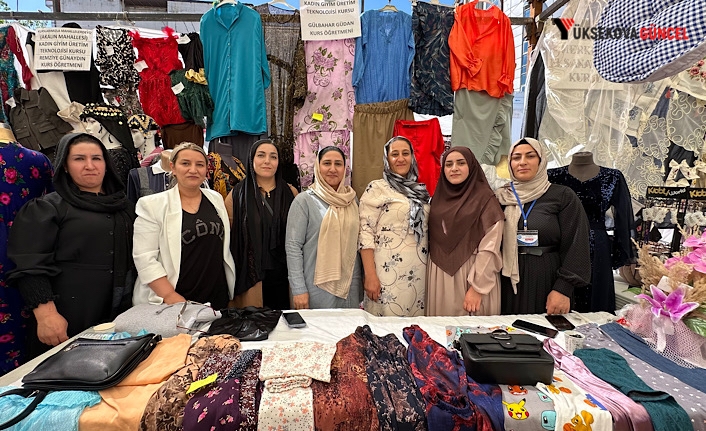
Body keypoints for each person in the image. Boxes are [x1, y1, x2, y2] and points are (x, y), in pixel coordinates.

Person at [7, 133, 136, 357]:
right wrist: (47, 316)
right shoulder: (47, 208)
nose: (89, 166)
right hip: (67, 320)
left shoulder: (125, 207)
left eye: (96, 158)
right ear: (65, 166)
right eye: (79, 159)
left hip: (119, 317)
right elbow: (30, 266)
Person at [132, 142, 235, 309]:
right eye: (185, 163)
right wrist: (170, 296)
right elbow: (144, 259)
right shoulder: (152, 205)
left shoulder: (215, 198)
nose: (193, 170)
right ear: (173, 167)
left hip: (216, 296)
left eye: (199, 165)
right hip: (174, 300)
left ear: (206, 169)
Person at [495, 138, 591, 315]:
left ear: (541, 161)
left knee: (544, 329)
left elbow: (577, 244)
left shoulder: (562, 196)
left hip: (546, 277)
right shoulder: (500, 197)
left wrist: (563, 288)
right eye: (516, 157)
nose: (522, 162)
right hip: (505, 278)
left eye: (530, 156)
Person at [426, 147, 505, 316]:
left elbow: (491, 245)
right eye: (449, 164)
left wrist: (477, 287)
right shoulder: (437, 199)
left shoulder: (485, 198)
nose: (454, 168)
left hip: (474, 275)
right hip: (440, 276)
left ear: (471, 166)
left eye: (461, 163)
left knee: (473, 329)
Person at [359, 137, 430, 317]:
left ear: (412, 157)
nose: (400, 159)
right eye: (394, 154)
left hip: (420, 273)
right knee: (386, 326)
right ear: (387, 159)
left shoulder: (420, 191)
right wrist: (370, 275)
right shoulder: (377, 188)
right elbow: (365, 232)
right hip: (386, 272)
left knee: (416, 327)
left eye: (405, 153)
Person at [285, 146, 362, 309]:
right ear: (318, 167)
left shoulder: (352, 200)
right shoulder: (304, 201)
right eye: (327, 163)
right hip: (315, 288)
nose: (332, 169)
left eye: (338, 164)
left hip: (350, 286)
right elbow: (293, 247)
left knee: (350, 325)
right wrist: (298, 289)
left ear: (344, 169)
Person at [225, 139, 297, 309]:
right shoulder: (237, 195)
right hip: (251, 277)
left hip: (284, 275)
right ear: (252, 160)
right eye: (261, 155)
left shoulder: (291, 193)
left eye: (273, 157)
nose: (267, 161)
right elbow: (228, 239)